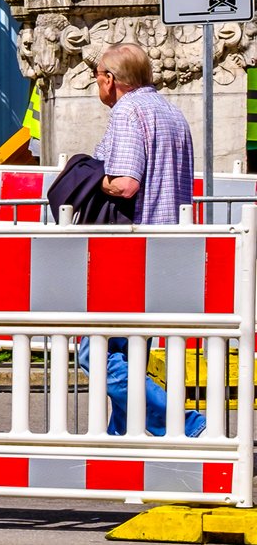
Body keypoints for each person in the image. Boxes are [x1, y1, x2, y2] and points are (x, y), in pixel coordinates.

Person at [80, 43, 204, 436]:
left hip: (130, 250)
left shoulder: (128, 111)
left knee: (93, 351)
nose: (96, 83)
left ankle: (184, 423)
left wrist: (90, 179)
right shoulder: (171, 112)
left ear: (111, 80)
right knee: (131, 351)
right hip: (166, 249)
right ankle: (122, 441)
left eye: (97, 75)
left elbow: (127, 184)